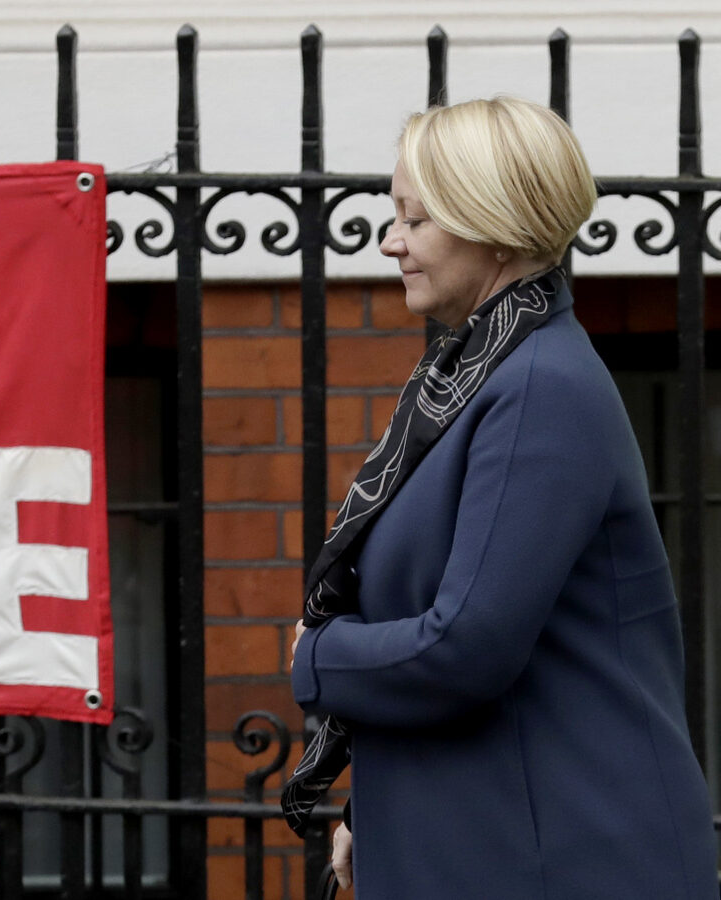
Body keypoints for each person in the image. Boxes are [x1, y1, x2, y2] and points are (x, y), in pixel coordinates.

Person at [284, 95, 719, 899]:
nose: (392, 242)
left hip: (561, 856)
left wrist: (314, 655)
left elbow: (464, 650)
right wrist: (373, 808)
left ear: (489, 223)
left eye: (415, 221)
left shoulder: (536, 388)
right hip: (501, 838)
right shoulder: (483, 377)